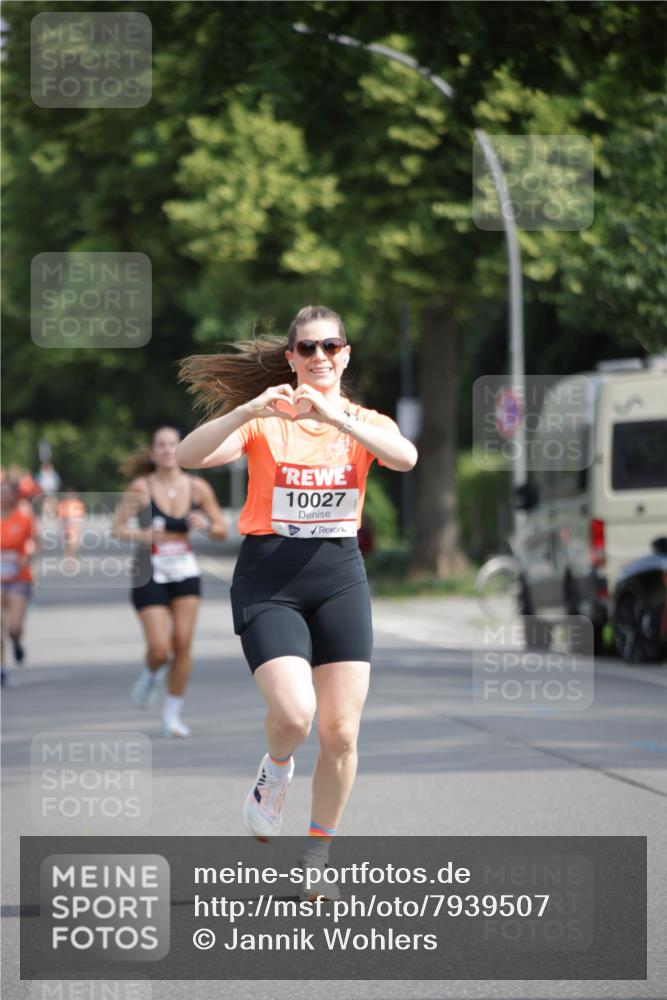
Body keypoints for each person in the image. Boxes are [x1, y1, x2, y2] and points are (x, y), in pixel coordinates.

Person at [176, 304, 417, 895]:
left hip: (339, 578)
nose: (319, 357)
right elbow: (186, 457)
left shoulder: (364, 421)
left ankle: (316, 858)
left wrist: (339, 420)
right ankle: (275, 771)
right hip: (270, 579)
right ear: (290, 359)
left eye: (330, 347)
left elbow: (404, 457)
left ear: (345, 355)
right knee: (294, 715)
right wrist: (250, 408)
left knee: (340, 732)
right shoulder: (266, 422)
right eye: (307, 349)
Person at [112, 426, 228, 737]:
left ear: (182, 449)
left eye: (173, 444)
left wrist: (204, 525)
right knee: (161, 649)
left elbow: (221, 530)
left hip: (184, 570)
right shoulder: (141, 487)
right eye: (161, 445)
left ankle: (172, 716)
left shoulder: (198, 487)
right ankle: (151, 674)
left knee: (183, 645)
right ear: (152, 453)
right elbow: (117, 528)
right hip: (148, 569)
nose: (167, 450)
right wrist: (143, 534)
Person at [1, 480, 36, 684]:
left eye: (6, 493)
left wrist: (26, 555)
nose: (3, 497)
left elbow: (35, 542)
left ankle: (16, 641)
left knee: (13, 627)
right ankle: (2, 668)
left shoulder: (24, 519)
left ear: (13, 496)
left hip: (18, 577)